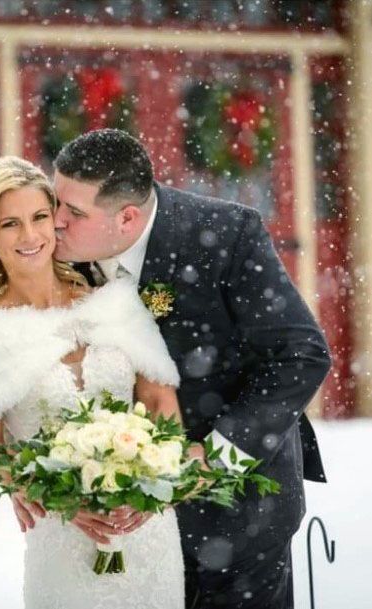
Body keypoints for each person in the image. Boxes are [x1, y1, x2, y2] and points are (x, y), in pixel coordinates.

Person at [52, 129, 332, 609]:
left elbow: (300, 354)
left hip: (240, 521)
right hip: (123, 536)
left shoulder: (226, 235)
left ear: (127, 217)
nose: (54, 222)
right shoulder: (54, 256)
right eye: (55, 201)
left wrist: (219, 456)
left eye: (73, 213)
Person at [0, 156, 190, 609]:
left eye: (40, 217)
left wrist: (155, 485)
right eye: (10, 224)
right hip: (61, 534)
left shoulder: (115, 302)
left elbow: (159, 400)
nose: (30, 236)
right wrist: (41, 493)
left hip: (146, 529)